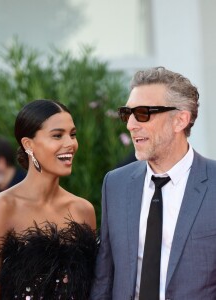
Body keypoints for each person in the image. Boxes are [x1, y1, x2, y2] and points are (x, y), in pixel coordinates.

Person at [90, 66, 216, 299]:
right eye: (127, 114)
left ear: (180, 120)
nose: (130, 125)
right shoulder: (116, 184)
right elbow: (104, 276)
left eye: (143, 114)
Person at [0, 99, 97, 299]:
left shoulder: (83, 210)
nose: (70, 144)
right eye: (57, 135)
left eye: (72, 134)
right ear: (28, 145)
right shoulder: (1, 207)